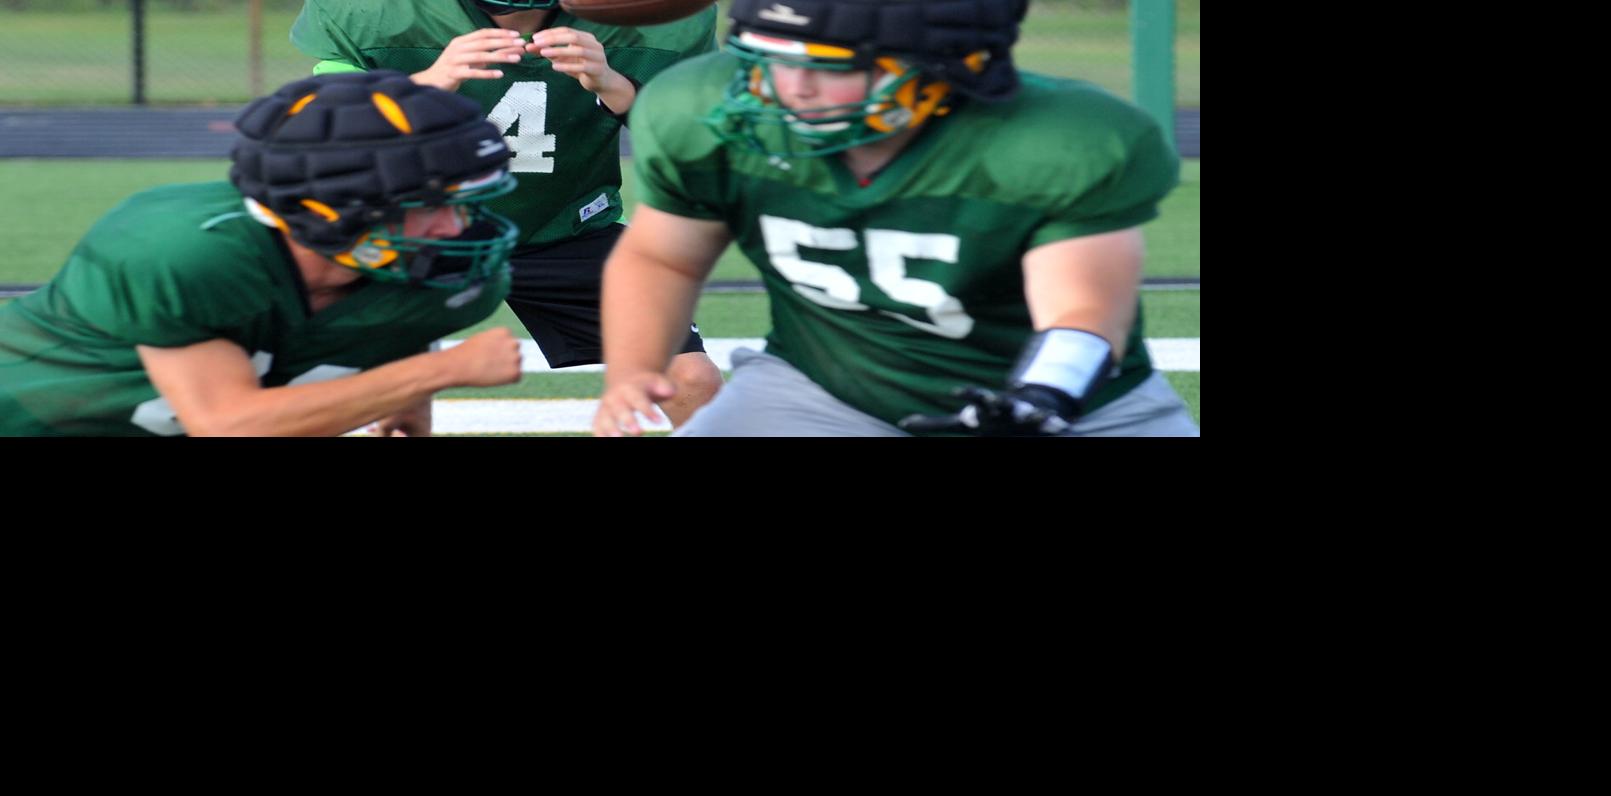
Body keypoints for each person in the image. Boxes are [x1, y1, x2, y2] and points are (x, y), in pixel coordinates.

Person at [592, 0, 1199, 437]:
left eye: (830, 66)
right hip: (823, 389)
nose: (790, 88)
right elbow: (663, 257)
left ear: (941, 67)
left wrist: (1042, 399)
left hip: (1077, 404)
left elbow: (1081, 310)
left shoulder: (1056, 139)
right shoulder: (701, 107)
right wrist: (634, 367)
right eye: (766, 59)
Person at [0, 71, 525, 436]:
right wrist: (436, 372)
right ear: (332, 210)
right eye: (430, 205)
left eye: (464, 203)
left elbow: (397, 319)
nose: (455, 228)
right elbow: (228, 425)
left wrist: (407, 396)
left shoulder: (451, 277)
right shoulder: (184, 249)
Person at [291, 0, 724, 427]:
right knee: (399, 396)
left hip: (564, 226)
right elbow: (325, 131)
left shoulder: (650, 16)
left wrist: (614, 85)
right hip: (418, 230)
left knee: (691, 381)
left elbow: (693, 145)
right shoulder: (376, 12)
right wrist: (425, 86)